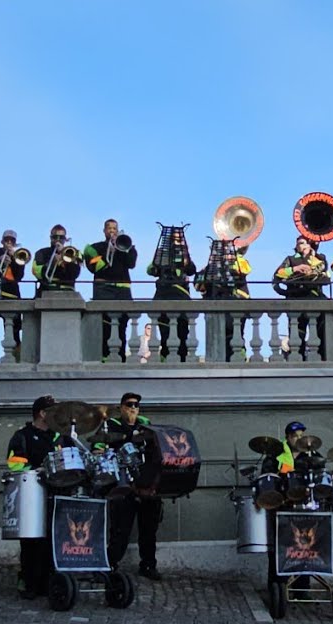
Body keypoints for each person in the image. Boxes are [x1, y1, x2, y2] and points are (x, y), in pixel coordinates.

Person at [6, 395, 64, 599]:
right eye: (53, 411)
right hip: (32, 494)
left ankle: (49, 582)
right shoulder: (23, 435)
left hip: (56, 493)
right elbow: (15, 464)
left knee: (52, 540)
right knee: (32, 542)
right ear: (42, 413)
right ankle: (29, 581)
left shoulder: (60, 437)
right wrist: (36, 469)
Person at [105, 392, 165, 581]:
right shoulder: (112, 425)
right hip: (123, 483)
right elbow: (100, 445)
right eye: (129, 404)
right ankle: (110, 563)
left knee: (149, 528)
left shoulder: (146, 425)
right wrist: (130, 435)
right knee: (120, 528)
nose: (133, 408)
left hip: (146, 481)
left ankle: (148, 564)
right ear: (121, 407)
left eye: (136, 405)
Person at [85, 220, 138, 361]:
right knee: (104, 324)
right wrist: (109, 251)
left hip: (123, 290)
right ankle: (103, 356)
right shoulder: (95, 247)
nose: (112, 231)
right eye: (109, 228)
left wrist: (123, 249)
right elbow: (94, 267)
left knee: (122, 325)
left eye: (115, 228)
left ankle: (120, 357)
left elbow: (131, 264)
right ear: (104, 231)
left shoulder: (127, 245)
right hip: (104, 289)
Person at [147, 226, 198, 361]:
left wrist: (186, 259)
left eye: (179, 239)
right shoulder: (162, 254)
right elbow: (151, 270)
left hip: (182, 301)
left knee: (182, 335)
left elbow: (192, 270)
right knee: (165, 336)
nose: (177, 242)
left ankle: (181, 361)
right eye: (175, 239)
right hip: (163, 298)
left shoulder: (185, 256)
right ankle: (165, 360)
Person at [32, 224, 81, 297]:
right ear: (50, 238)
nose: (58, 240)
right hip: (47, 291)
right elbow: (37, 272)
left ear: (65, 239)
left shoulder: (75, 252)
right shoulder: (41, 252)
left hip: (67, 292)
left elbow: (75, 274)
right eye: (55, 237)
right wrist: (51, 263)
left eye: (61, 237)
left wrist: (65, 256)